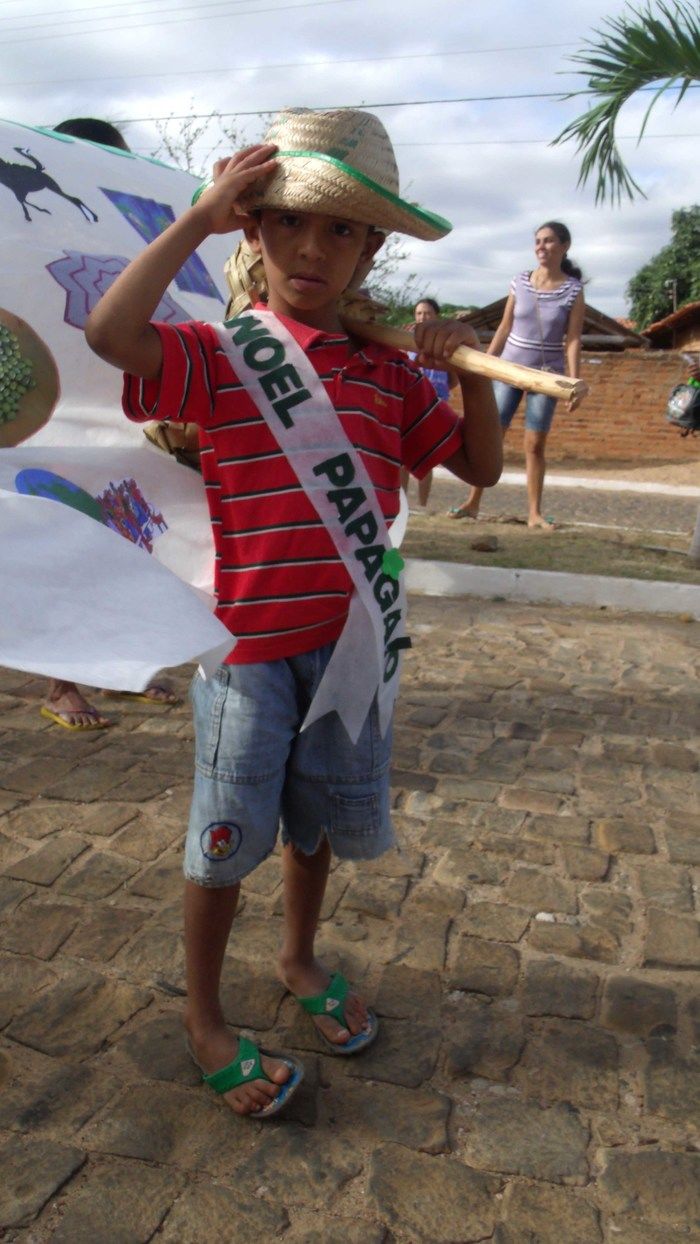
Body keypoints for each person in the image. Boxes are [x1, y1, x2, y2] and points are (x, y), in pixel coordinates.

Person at [85, 107, 502, 1118]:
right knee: (224, 840)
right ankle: (203, 1015)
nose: (311, 249)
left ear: (372, 247)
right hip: (248, 651)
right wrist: (194, 216)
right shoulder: (223, 354)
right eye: (285, 225)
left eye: (342, 232)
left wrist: (468, 375)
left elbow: (480, 466)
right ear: (252, 230)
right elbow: (109, 334)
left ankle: (300, 956)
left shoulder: (390, 372)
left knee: (310, 829)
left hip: (350, 647)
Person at [39, 117, 177, 730]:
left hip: (125, 418)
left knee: (134, 543)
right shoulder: (28, 231)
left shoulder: (127, 234)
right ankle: (59, 682)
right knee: (65, 547)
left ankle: (124, 666)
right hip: (56, 422)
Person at [449, 220, 585, 528]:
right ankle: (472, 503)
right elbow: (505, 327)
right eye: (538, 240)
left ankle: (534, 513)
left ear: (564, 247)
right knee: (490, 437)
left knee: (534, 445)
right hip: (509, 371)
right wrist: (484, 363)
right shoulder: (520, 282)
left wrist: (574, 381)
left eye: (549, 241)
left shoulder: (573, 290)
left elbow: (574, 339)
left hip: (546, 377)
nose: (541, 246)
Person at [400, 297, 456, 509]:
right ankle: (402, 505)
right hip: (409, 403)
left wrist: (436, 393)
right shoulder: (406, 342)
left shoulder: (445, 344)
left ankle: (422, 505)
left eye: (427, 313)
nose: (423, 317)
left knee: (427, 457)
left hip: (435, 405)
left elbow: (452, 379)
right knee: (403, 457)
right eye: (419, 313)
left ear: (436, 316)